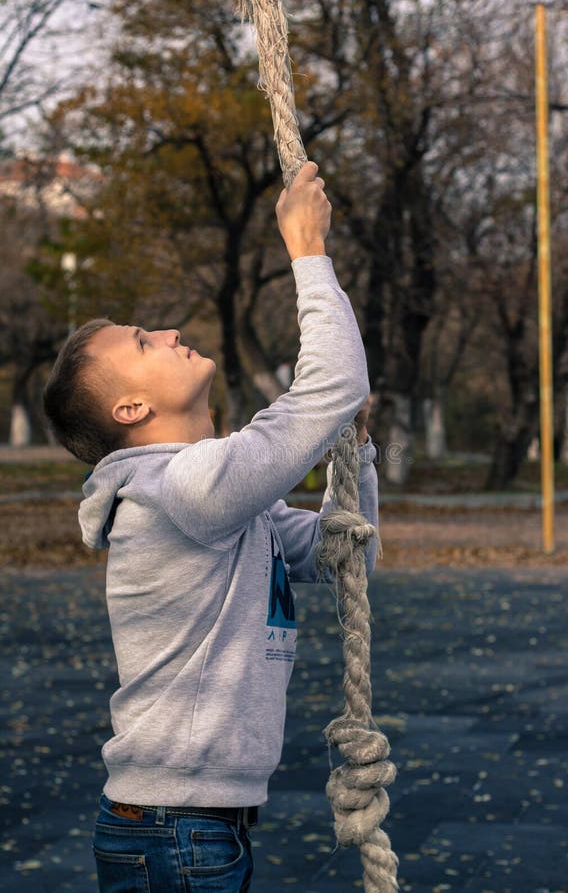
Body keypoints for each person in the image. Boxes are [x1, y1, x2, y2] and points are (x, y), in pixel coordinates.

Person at [43, 161, 379, 892]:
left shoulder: (220, 503)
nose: (165, 330)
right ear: (130, 410)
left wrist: (357, 453)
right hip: (174, 827)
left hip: (190, 824)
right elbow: (331, 387)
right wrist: (306, 250)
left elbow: (341, 551)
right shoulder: (186, 489)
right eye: (142, 342)